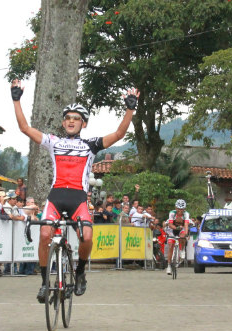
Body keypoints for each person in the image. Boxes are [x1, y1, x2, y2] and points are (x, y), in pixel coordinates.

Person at [11, 79, 139, 302]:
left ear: (84, 124)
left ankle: (80, 272)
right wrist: (16, 100)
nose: (71, 122)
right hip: (56, 197)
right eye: (68, 118)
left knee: (87, 236)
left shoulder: (91, 145)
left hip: (79, 198)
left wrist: (130, 109)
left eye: (76, 119)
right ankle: (43, 283)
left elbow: (119, 134)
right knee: (44, 234)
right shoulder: (53, 142)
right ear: (63, 123)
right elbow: (24, 128)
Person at [165, 199, 190, 275]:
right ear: (176, 208)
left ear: (184, 209)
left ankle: (182, 250)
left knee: (182, 236)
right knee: (170, 246)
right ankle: (169, 266)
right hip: (172, 229)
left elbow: (186, 225)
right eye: (178, 209)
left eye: (182, 209)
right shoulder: (172, 213)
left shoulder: (186, 214)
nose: (180, 211)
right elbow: (170, 224)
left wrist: (186, 234)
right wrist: (176, 228)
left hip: (181, 228)